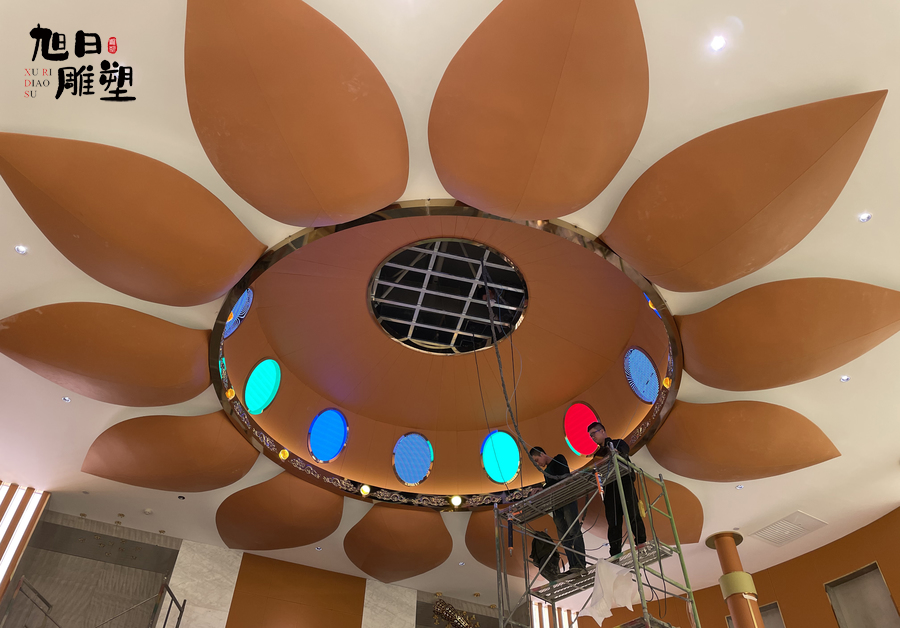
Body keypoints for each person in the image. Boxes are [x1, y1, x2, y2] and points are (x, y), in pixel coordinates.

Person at [587, 421, 647, 558]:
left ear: (602, 431)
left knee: (632, 511)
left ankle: (641, 541)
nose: (592, 438)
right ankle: (615, 552)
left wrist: (613, 452)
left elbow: (624, 450)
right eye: (590, 436)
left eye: (593, 434)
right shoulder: (597, 454)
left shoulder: (618, 443)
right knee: (613, 520)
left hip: (624, 479)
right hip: (609, 486)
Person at [528, 446, 587, 575]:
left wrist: (543, 489)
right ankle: (574, 565)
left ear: (542, 454)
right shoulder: (546, 472)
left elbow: (561, 479)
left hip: (567, 498)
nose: (538, 464)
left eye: (537, 460)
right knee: (563, 536)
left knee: (573, 530)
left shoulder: (559, 459)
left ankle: (580, 563)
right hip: (557, 504)